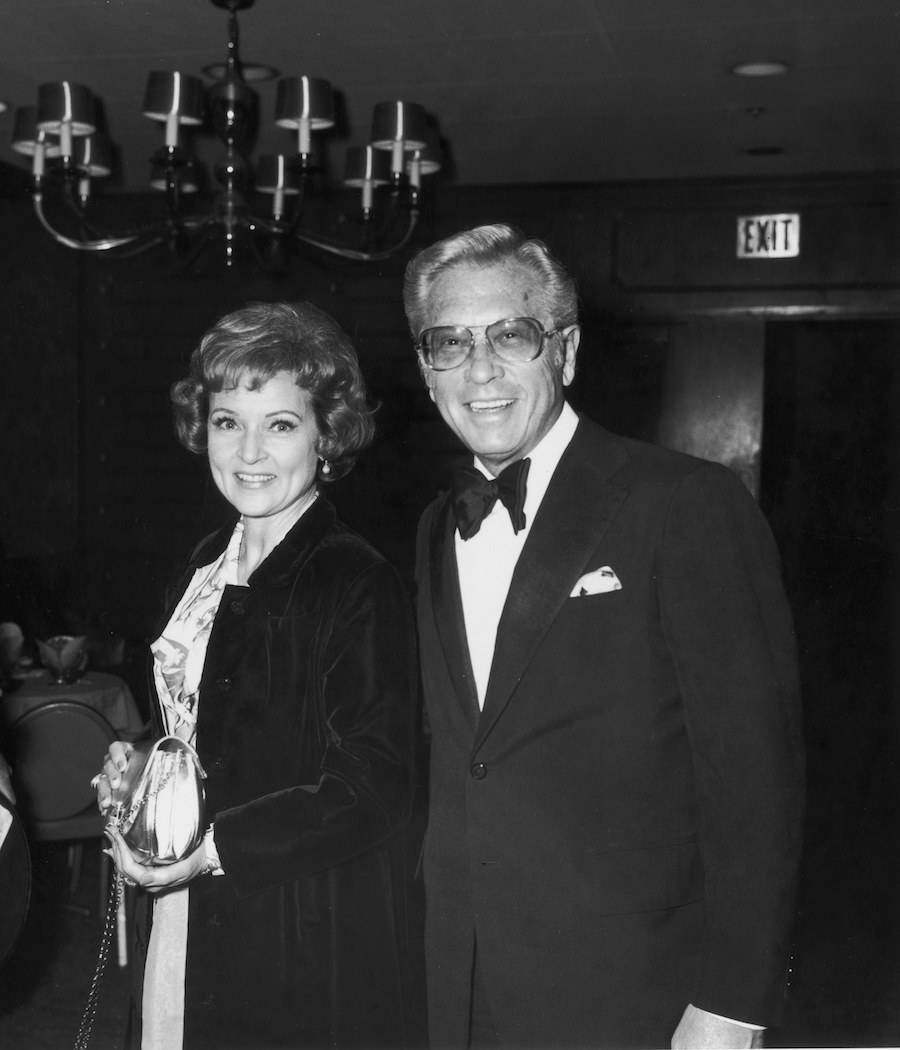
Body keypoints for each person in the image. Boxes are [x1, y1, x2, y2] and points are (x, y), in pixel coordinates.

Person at [404, 225, 804, 1049]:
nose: (480, 370)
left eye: (511, 335)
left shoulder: (685, 503)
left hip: (636, 993)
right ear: (425, 368)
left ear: (566, 351)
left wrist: (734, 1004)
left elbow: (755, 779)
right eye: (450, 343)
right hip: (462, 987)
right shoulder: (434, 529)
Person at [97, 301, 420, 1050]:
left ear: (325, 435)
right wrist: (139, 763)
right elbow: (204, 726)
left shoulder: (355, 578)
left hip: (295, 930)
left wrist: (211, 852)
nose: (249, 451)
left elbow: (376, 784)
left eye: (279, 424)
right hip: (186, 910)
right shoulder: (203, 563)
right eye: (227, 421)